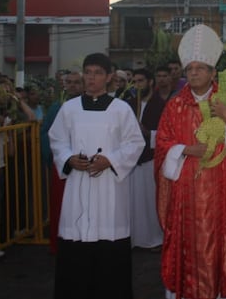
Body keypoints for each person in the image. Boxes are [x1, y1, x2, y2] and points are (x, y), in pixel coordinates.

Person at [155, 24, 226, 299]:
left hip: (221, 196)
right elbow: (162, 148)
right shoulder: (174, 106)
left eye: (200, 68)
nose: (194, 73)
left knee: (222, 248)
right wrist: (187, 149)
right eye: (190, 69)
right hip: (185, 199)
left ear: (213, 73)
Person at [48, 52, 145, 299]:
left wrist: (110, 160)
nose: (91, 78)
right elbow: (57, 140)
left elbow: (135, 143)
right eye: (88, 72)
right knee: (75, 250)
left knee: (109, 251)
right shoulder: (69, 109)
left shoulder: (121, 109)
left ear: (109, 76)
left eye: (98, 73)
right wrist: (69, 158)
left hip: (109, 189)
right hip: (77, 184)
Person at [39, 70, 83, 254]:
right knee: (60, 205)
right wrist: (53, 157)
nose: (72, 85)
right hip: (63, 165)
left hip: (84, 167)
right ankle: (59, 244)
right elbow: (46, 133)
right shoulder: (58, 107)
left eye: (76, 82)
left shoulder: (88, 106)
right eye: (69, 82)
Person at [123, 68, 164, 250]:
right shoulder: (128, 105)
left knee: (149, 201)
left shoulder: (161, 104)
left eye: (141, 81)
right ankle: (134, 238)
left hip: (150, 159)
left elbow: (166, 133)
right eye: (135, 81)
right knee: (132, 202)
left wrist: (148, 132)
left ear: (150, 82)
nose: (137, 85)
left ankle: (154, 238)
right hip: (132, 160)